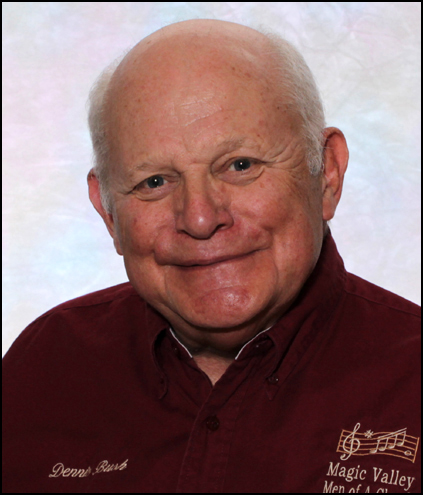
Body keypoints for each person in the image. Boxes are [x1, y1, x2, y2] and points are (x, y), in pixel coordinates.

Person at [2, 19, 420, 494]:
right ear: (108, 212)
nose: (200, 218)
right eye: (154, 182)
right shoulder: (42, 372)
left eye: (240, 165)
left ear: (326, 173)